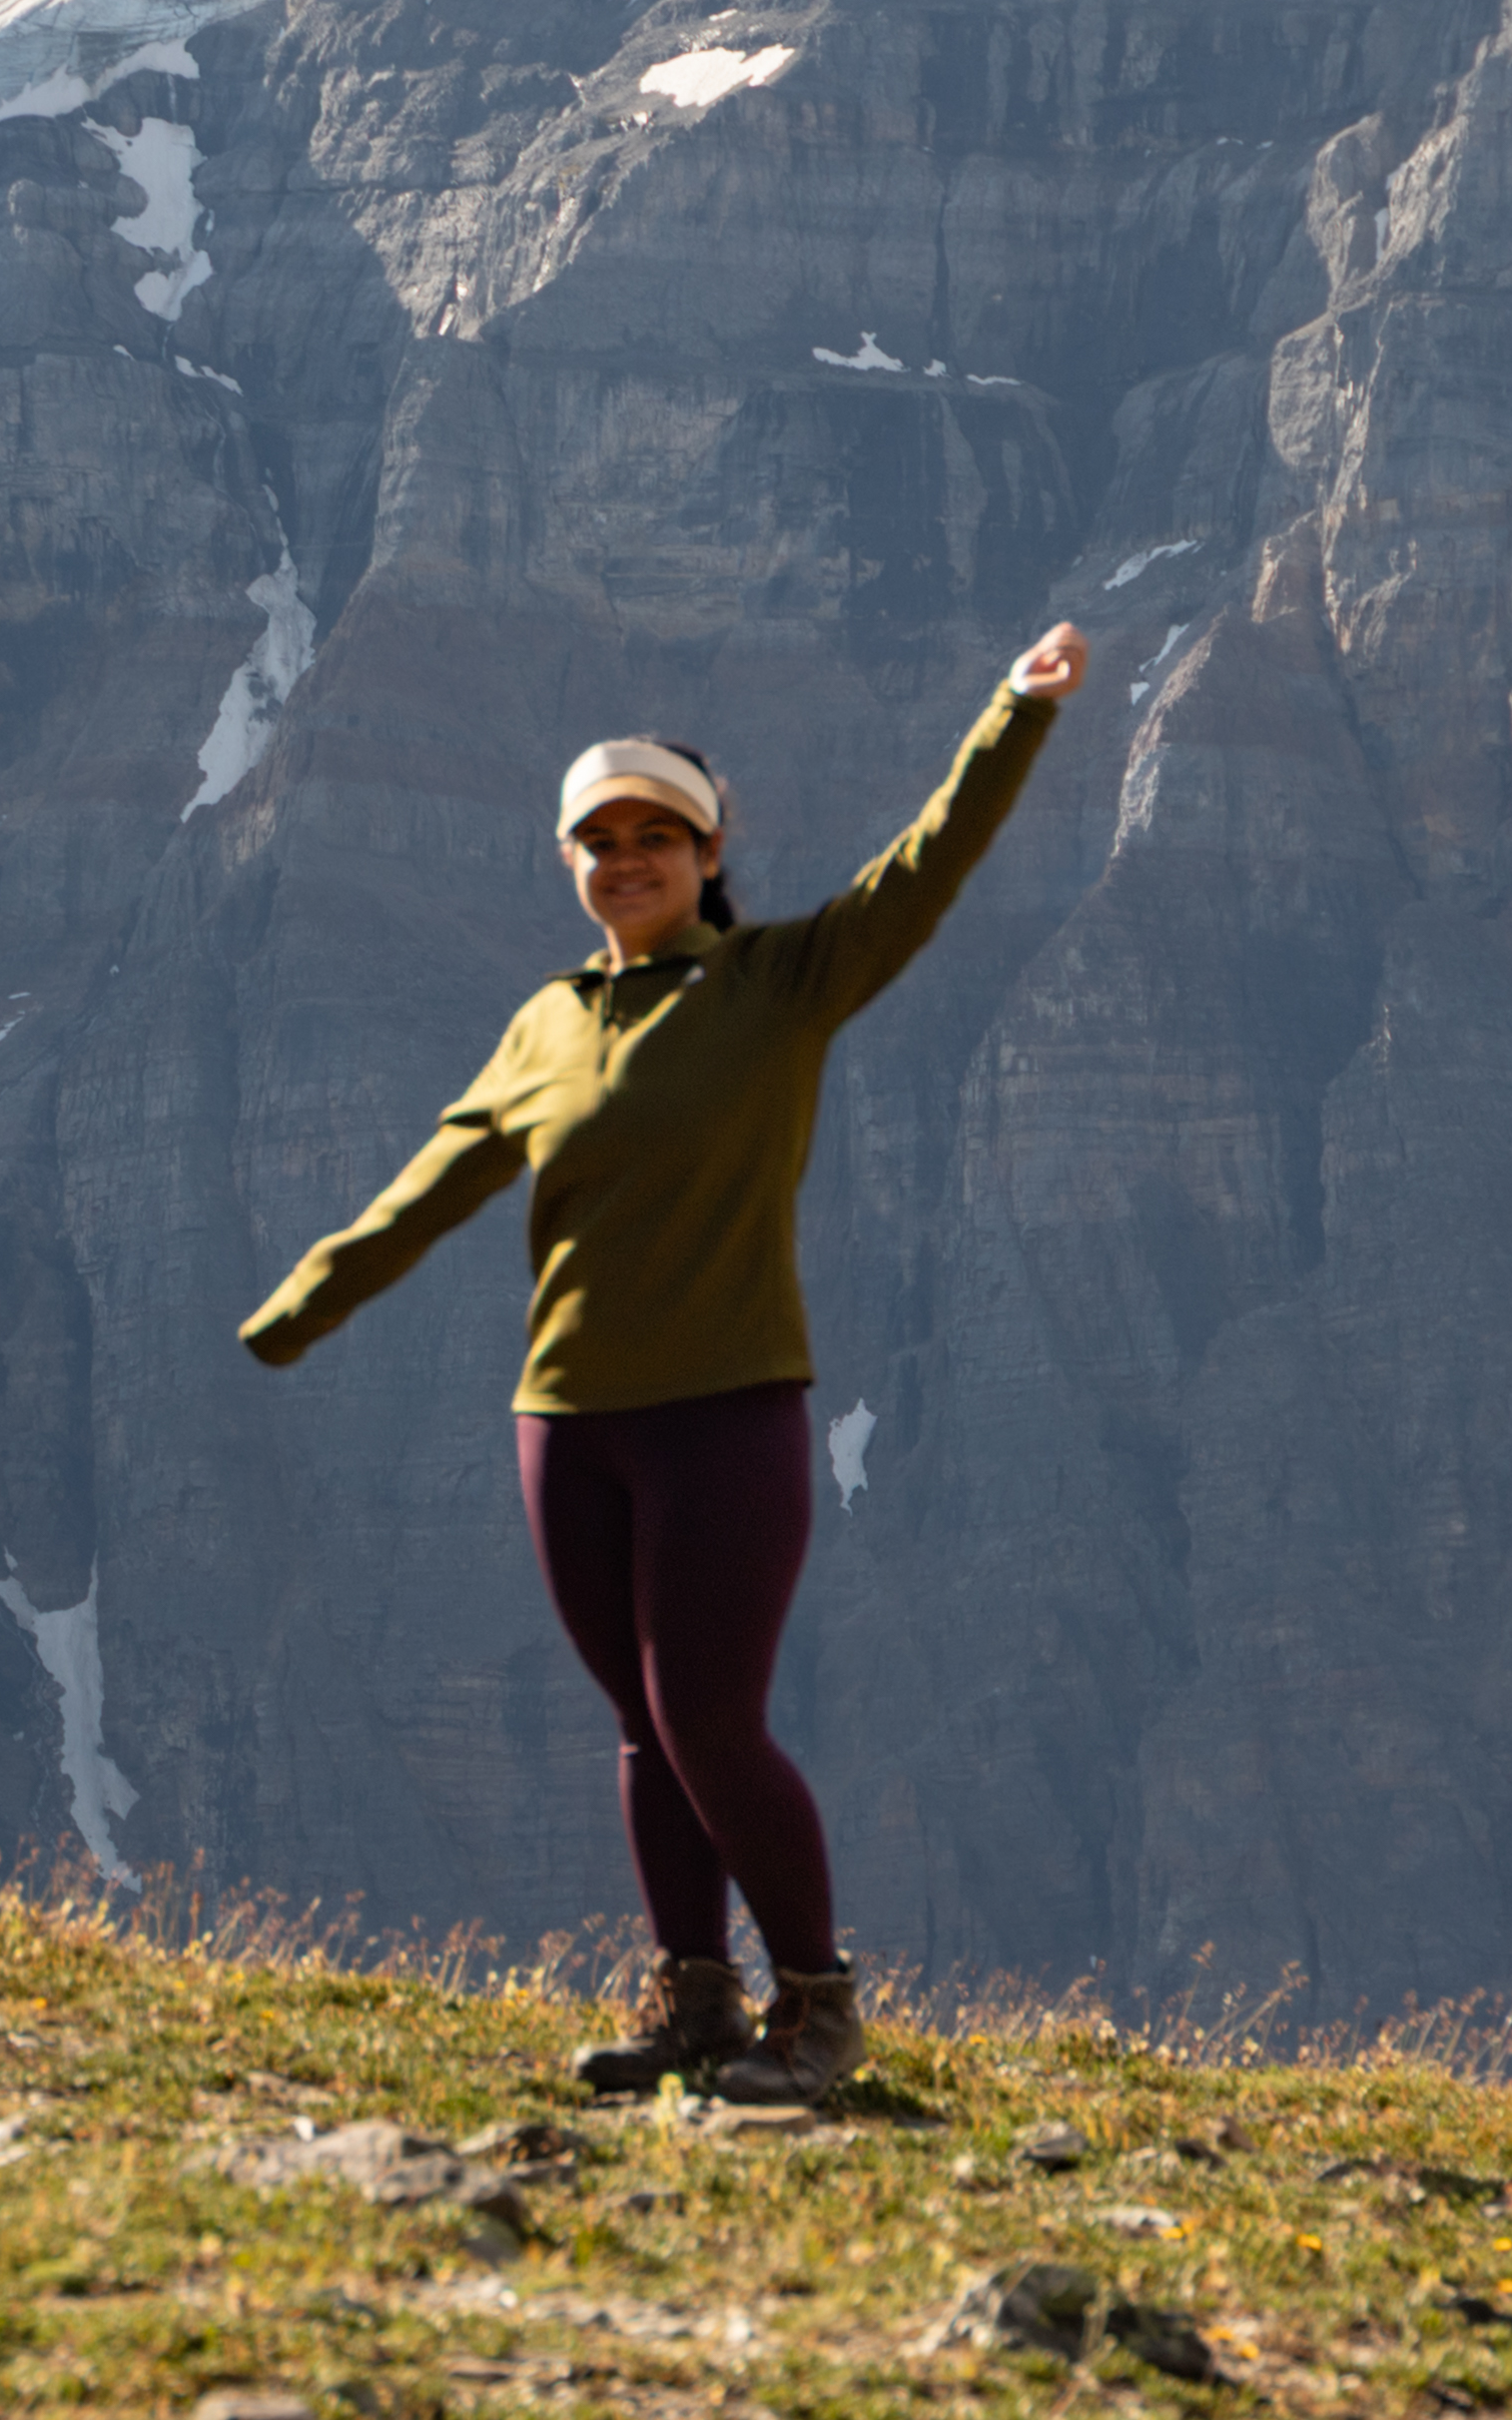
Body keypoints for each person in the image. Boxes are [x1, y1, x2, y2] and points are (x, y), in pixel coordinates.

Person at [238, 621, 1089, 2104]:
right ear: (572, 861)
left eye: (656, 834)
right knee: (643, 1725)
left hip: (729, 1415)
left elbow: (927, 864)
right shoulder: (546, 1024)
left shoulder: (780, 984)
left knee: (708, 1716)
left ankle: (817, 2009)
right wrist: (303, 1301)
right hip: (565, 1423)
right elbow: (433, 1180)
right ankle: (695, 1999)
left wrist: (1013, 714)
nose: (625, 857)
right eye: (599, 838)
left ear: (707, 853)